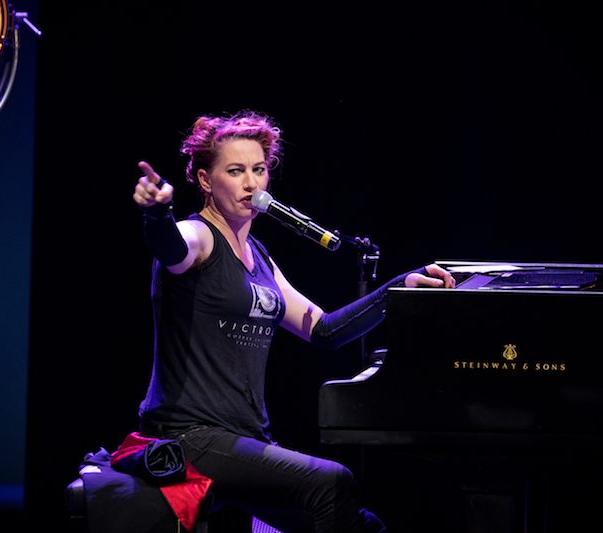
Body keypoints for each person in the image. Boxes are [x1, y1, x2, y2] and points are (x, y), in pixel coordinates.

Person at [129, 109, 456, 533]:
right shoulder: (199, 235)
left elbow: (324, 331)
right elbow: (172, 249)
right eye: (236, 171)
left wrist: (399, 288)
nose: (251, 183)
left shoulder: (260, 257)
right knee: (333, 482)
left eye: (259, 170)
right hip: (190, 436)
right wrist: (157, 214)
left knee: (365, 526)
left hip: (244, 440)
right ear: (207, 181)